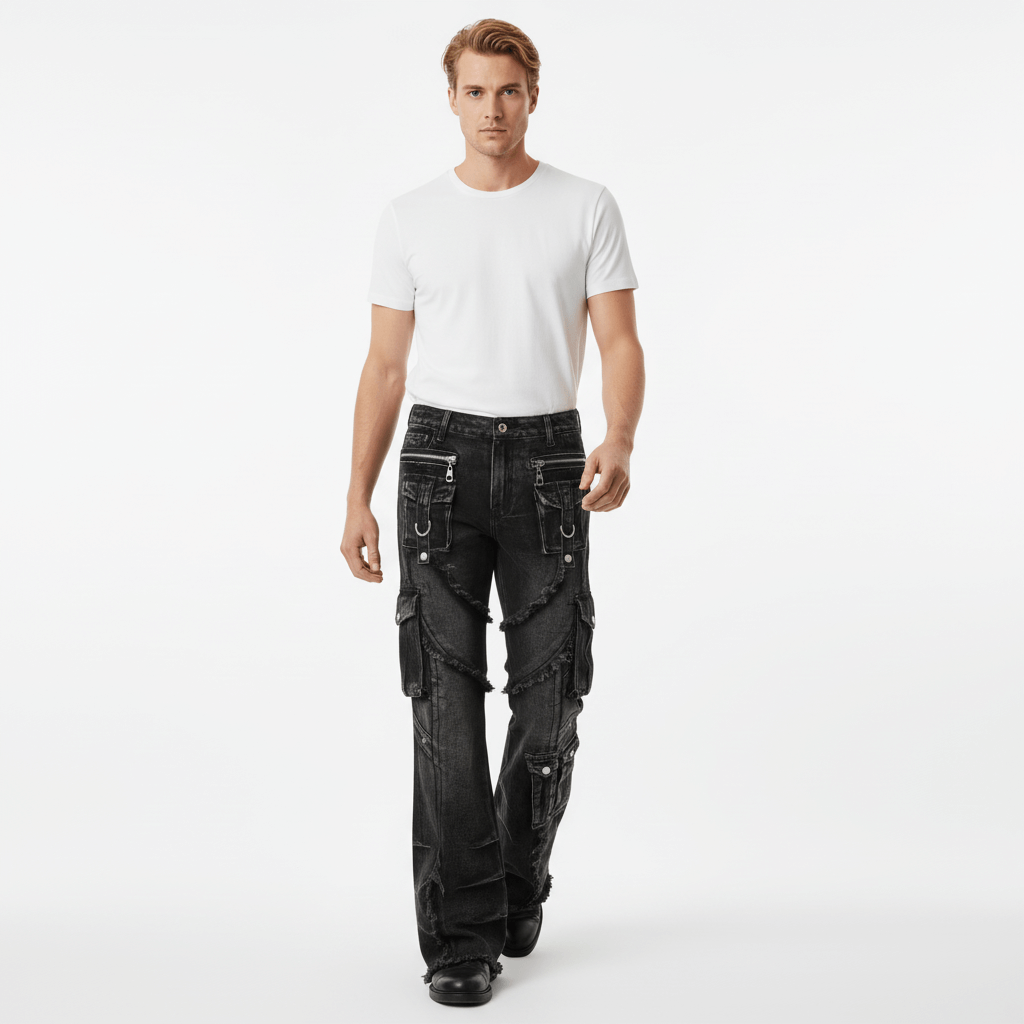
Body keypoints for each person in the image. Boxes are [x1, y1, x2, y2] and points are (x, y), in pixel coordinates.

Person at [341, 17, 644, 1007]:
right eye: (475, 91)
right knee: (444, 704)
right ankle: (461, 932)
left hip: (552, 462)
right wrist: (356, 495)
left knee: (552, 701)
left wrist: (619, 436)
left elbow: (619, 341)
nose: (492, 110)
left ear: (533, 96)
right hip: (437, 465)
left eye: (508, 91)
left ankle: (515, 874)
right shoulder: (409, 217)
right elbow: (385, 367)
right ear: (452, 98)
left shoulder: (585, 205)